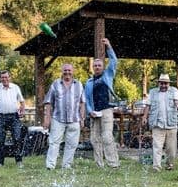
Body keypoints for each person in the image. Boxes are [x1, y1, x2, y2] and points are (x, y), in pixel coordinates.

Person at [83, 37, 120, 168]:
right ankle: (99, 164)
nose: (97, 67)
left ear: (103, 67)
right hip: (94, 112)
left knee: (107, 137)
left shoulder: (108, 75)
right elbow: (86, 99)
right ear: (93, 67)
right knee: (94, 139)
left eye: (99, 65)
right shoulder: (88, 82)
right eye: (95, 65)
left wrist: (108, 46)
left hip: (106, 110)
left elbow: (114, 61)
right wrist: (89, 111)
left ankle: (113, 164)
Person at [42, 63, 84, 170]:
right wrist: (47, 119)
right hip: (58, 119)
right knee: (54, 142)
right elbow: (48, 102)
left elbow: (82, 103)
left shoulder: (79, 85)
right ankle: (50, 165)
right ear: (62, 71)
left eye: (69, 70)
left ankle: (67, 165)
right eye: (65, 70)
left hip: (74, 119)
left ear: (72, 71)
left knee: (72, 144)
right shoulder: (55, 84)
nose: (67, 72)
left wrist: (82, 119)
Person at [0, 70, 25, 168]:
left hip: (14, 116)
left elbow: (22, 102)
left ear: (9, 77)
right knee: (0, 140)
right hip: (1, 117)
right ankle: (0, 162)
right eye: (2, 77)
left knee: (17, 138)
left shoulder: (15, 88)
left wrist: (22, 110)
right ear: (0, 78)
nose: (4, 79)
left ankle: (19, 161)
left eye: (6, 77)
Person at [142, 73, 178, 171]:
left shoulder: (174, 91)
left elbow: (177, 102)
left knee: (171, 149)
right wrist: (144, 117)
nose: (163, 85)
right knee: (157, 146)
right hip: (157, 124)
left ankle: (169, 165)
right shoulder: (152, 92)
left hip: (171, 124)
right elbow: (148, 105)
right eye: (162, 83)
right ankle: (156, 167)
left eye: (166, 83)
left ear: (169, 84)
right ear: (158, 83)